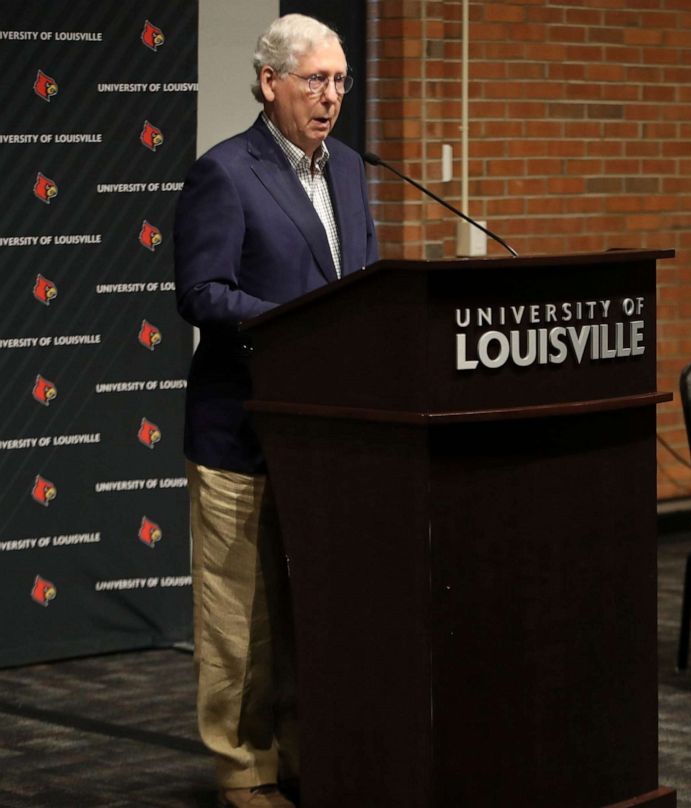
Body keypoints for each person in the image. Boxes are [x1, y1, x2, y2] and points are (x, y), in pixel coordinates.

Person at [173, 14, 378, 808]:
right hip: (242, 431)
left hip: (327, 435)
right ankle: (243, 770)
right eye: (314, 81)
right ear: (269, 83)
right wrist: (295, 325)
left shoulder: (353, 169)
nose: (330, 98)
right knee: (240, 622)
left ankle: (299, 752)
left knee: (310, 610)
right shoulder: (225, 174)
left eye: (339, 82)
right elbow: (201, 294)